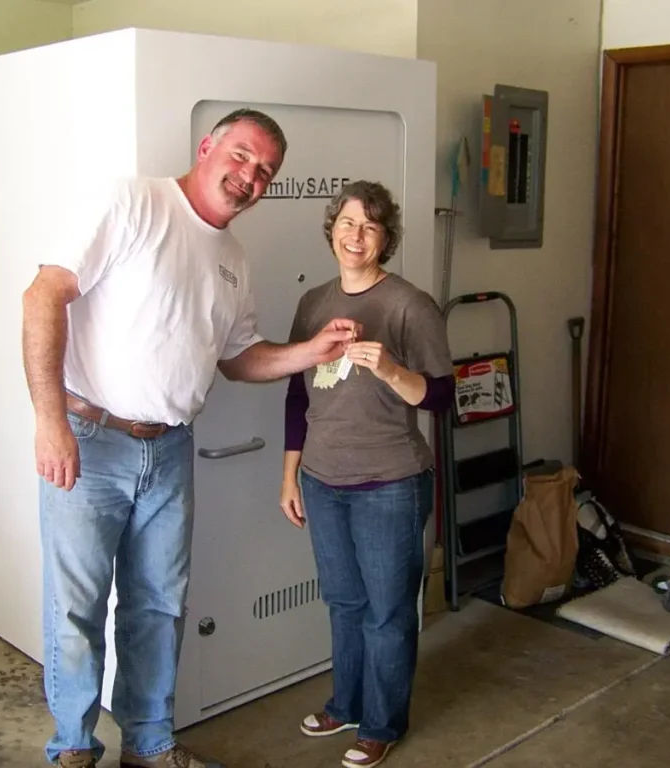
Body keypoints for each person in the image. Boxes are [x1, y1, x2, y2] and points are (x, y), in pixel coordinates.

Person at [21, 108, 362, 768]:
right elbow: (43, 295)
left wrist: (310, 352)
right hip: (91, 442)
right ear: (207, 146)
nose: (249, 176)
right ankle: (72, 748)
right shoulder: (133, 201)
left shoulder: (232, 258)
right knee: (75, 611)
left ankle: (148, 745)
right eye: (240, 155)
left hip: (170, 450)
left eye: (264, 171)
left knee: (158, 608)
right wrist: (49, 421)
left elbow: (240, 358)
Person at [279, 181, 454, 768]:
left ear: (386, 238)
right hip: (323, 481)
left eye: (370, 226)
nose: (356, 236)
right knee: (345, 602)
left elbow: (441, 399)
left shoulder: (409, 305)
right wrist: (290, 476)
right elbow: (296, 399)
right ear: (332, 229)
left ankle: (382, 723)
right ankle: (345, 704)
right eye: (348, 223)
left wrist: (391, 368)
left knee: (388, 611)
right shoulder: (313, 304)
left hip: (391, 484)